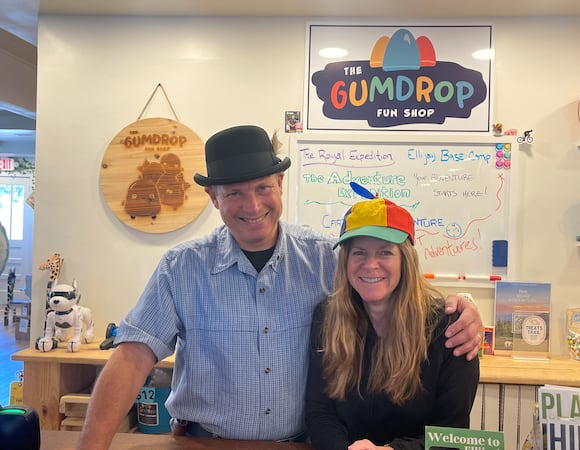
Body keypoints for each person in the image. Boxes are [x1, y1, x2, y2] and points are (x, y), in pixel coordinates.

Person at [77, 125, 482, 449]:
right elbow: (131, 359)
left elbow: (390, 283)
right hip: (206, 442)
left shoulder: (326, 258)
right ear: (213, 197)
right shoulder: (181, 269)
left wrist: (461, 306)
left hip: (301, 444)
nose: (252, 207)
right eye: (234, 192)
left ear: (281, 184)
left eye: (262, 188)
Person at [305, 197, 480, 450]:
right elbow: (319, 412)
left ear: (405, 260)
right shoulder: (326, 317)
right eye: (359, 252)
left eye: (385, 251)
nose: (371, 264)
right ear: (346, 261)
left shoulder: (450, 329)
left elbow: (451, 434)